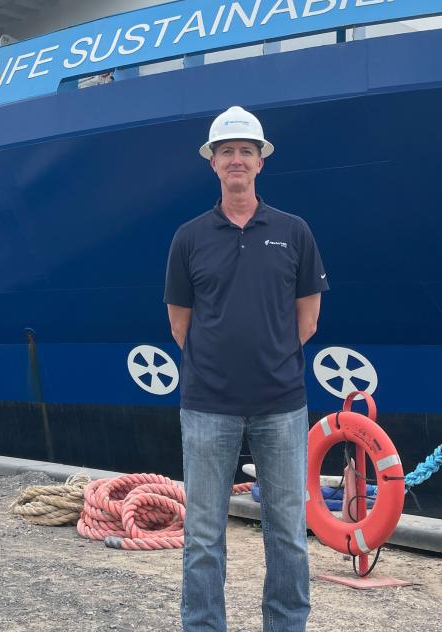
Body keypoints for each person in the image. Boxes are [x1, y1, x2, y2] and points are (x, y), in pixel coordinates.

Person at [164, 105, 328, 632]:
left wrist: (267, 359)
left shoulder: (294, 231)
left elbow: (308, 318)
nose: (237, 160)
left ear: (261, 163)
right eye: (227, 151)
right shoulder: (189, 238)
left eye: (246, 151)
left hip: (281, 405)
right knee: (203, 536)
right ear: (213, 163)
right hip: (208, 406)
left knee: (287, 534)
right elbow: (180, 324)